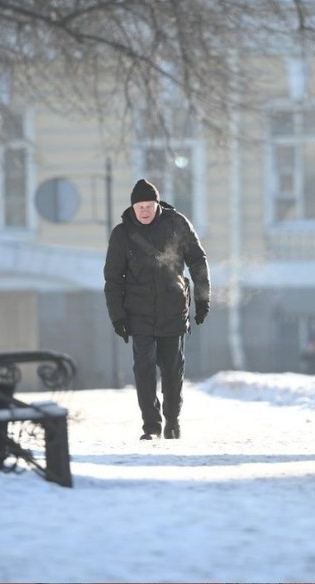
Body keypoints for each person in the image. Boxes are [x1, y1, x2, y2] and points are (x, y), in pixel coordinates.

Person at [104, 179, 211, 440]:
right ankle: (151, 426)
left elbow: (197, 261)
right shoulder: (122, 234)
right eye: (140, 206)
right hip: (138, 311)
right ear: (133, 207)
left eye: (149, 205)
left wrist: (202, 298)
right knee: (143, 366)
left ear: (157, 205)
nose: (144, 211)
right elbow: (113, 279)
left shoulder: (177, 224)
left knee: (173, 367)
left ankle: (172, 420)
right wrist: (117, 316)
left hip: (173, 307)